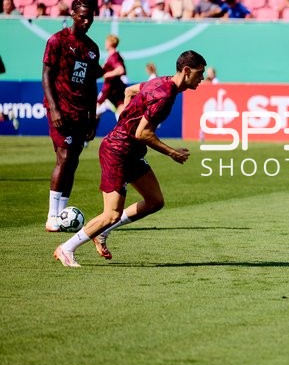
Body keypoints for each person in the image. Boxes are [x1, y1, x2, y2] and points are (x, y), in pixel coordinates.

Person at [53, 51, 207, 267]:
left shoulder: (160, 82)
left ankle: (102, 233)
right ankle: (66, 248)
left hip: (131, 152)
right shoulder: (164, 95)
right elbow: (142, 133)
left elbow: (129, 90)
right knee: (111, 214)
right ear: (187, 71)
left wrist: (125, 114)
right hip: (117, 151)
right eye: (200, 73)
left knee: (155, 201)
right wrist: (172, 152)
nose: (202, 78)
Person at [42, 0, 103, 232]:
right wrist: (54, 109)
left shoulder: (92, 49)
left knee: (72, 162)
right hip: (60, 110)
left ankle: (61, 215)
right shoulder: (57, 40)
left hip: (80, 112)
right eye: (82, 16)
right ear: (73, 14)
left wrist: (92, 116)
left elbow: (90, 86)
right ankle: (52, 217)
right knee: (65, 157)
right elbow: (46, 75)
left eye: (91, 17)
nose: (87, 21)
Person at [96, 35, 127, 126]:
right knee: (94, 114)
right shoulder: (111, 57)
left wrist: (107, 74)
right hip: (110, 94)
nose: (105, 44)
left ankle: (85, 138)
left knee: (121, 117)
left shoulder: (114, 57)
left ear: (110, 43)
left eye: (106, 42)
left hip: (113, 93)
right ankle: (86, 138)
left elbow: (121, 70)